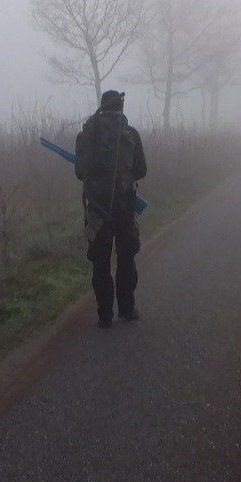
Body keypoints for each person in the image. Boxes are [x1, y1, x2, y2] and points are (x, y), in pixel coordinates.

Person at [73, 89, 148, 328]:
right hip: (124, 207)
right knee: (126, 259)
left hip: (96, 209)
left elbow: (79, 172)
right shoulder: (131, 134)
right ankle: (126, 309)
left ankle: (104, 315)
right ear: (121, 108)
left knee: (101, 262)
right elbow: (141, 171)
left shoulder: (87, 134)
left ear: (102, 107)